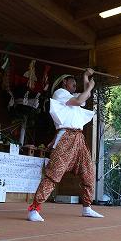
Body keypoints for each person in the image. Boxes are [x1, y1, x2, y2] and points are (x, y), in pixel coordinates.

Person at [27, 69, 103, 222]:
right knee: (54, 172)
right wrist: (89, 86)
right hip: (66, 137)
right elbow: (81, 99)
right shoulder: (60, 93)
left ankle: (87, 207)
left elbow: (85, 97)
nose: (75, 84)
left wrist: (86, 77)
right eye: (72, 80)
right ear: (64, 83)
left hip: (79, 137)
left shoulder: (71, 96)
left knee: (88, 171)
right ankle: (34, 209)